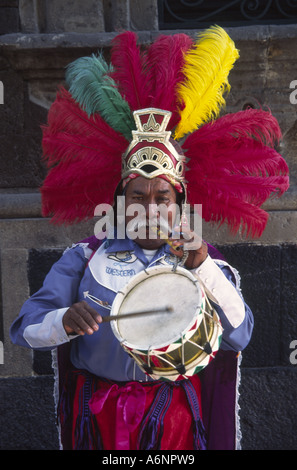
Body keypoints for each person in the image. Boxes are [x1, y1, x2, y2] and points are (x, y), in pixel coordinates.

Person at [10, 26, 289, 450]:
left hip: (174, 420)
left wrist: (204, 269)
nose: (150, 207)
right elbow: (24, 328)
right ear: (121, 202)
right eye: (137, 196)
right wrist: (62, 321)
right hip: (98, 417)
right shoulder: (85, 258)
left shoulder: (206, 261)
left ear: (179, 202)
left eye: (162, 196)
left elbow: (241, 335)